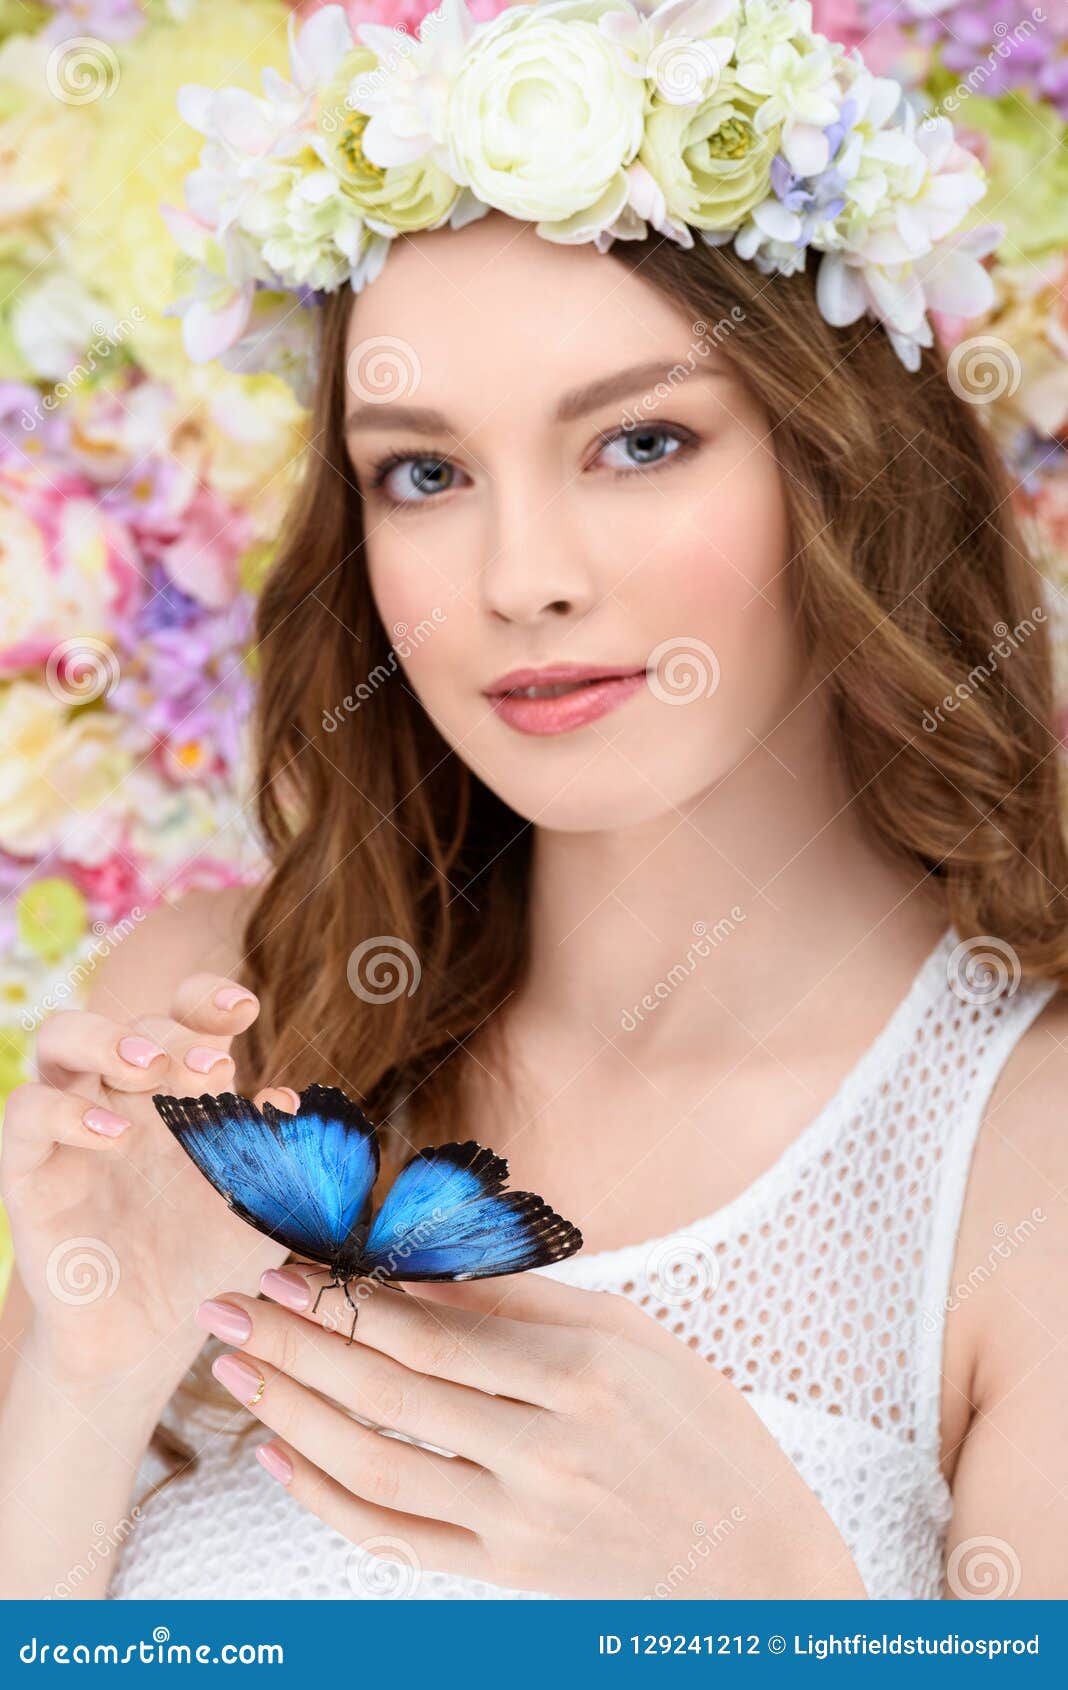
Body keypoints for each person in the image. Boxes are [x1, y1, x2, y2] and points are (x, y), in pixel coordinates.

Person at [1, 0, 1067, 1604]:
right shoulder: (210, 1026)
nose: (520, 581)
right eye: (425, 472)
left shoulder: (1026, 1165)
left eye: (639, 441)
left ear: (847, 472)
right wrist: (88, 1378)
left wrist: (775, 1601)